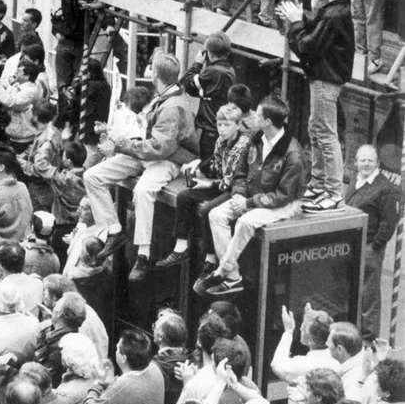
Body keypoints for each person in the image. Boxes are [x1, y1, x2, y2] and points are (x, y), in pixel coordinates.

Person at [82, 52, 198, 281]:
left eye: (150, 68)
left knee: (143, 191)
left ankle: (143, 255)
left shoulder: (172, 105)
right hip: (147, 153)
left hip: (168, 159)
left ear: (156, 74)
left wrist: (121, 143)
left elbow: (161, 148)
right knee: (92, 176)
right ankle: (115, 231)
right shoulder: (165, 96)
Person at [197, 96, 307, 297]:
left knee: (245, 222)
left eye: (258, 114)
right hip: (251, 196)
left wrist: (247, 203)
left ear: (267, 121)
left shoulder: (293, 153)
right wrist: (239, 195)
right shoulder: (256, 139)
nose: (253, 116)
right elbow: (240, 173)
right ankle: (233, 277)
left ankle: (222, 271)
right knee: (216, 215)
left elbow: (283, 196)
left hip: (284, 203)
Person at [282, 0, 354, 212]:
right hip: (323, 79)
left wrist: (294, 23)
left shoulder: (335, 14)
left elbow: (307, 47)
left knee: (325, 134)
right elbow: (314, 33)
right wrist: (299, 18)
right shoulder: (336, 10)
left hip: (326, 81)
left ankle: (333, 192)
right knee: (316, 130)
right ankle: (319, 183)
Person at [346, 143, 399, 337]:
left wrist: (374, 246)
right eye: (362, 160)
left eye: (370, 160)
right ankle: (352, 331)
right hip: (351, 245)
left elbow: (389, 223)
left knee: (369, 296)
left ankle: (368, 338)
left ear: (377, 163)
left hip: (369, 248)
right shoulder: (355, 179)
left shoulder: (385, 188)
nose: (366, 164)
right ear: (356, 162)